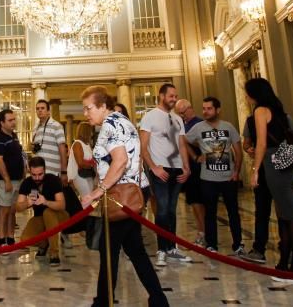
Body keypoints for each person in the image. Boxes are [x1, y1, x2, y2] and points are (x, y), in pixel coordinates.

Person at [79, 86, 168, 307]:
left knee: (108, 252)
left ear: (102, 106)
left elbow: (120, 162)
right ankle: (158, 299)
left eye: (88, 108)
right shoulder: (122, 120)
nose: (85, 113)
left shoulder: (110, 126)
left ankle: (102, 302)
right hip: (130, 191)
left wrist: (97, 193)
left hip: (121, 195)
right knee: (135, 250)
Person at [246, 77, 293, 284]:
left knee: (291, 216)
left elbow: (261, 143)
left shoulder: (260, 111)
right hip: (287, 163)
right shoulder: (278, 110)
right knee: (284, 214)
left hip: (273, 163)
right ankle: (284, 265)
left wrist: (255, 170)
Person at [138, 83, 191, 265]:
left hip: (177, 169)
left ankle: (172, 247)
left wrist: (186, 167)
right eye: (171, 96)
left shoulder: (177, 119)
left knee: (171, 209)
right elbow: (143, 147)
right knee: (161, 209)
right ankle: (162, 248)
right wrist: (153, 167)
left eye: (176, 96)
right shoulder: (149, 117)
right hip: (160, 168)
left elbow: (182, 144)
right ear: (162, 96)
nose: (174, 99)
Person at [186, 97, 243, 254]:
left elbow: (238, 151)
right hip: (208, 178)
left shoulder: (228, 127)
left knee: (233, 212)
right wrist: (195, 157)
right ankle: (211, 244)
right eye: (203, 108)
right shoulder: (198, 127)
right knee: (210, 213)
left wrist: (237, 172)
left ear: (218, 110)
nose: (205, 111)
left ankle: (238, 244)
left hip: (228, 177)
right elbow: (183, 141)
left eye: (209, 108)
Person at [15, 156, 66, 265]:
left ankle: (54, 253)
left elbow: (62, 205)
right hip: (40, 218)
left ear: (45, 170)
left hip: (59, 215)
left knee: (48, 213)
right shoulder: (27, 183)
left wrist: (46, 202)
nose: (37, 178)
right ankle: (44, 243)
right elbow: (18, 207)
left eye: (40, 174)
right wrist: (27, 203)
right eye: (34, 175)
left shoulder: (53, 180)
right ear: (30, 171)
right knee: (25, 239)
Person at [241, 110, 272, 264]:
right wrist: (248, 149)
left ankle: (289, 247)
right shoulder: (250, 121)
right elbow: (246, 143)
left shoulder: (282, 117)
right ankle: (259, 248)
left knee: (285, 212)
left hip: (277, 168)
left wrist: (255, 170)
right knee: (261, 210)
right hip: (263, 169)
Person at [174, 99, 206, 246]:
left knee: (201, 201)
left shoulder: (200, 124)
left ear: (189, 108)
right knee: (194, 201)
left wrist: (194, 156)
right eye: (178, 113)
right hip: (188, 169)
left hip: (200, 168)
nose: (181, 115)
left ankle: (204, 231)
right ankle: (201, 231)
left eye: (182, 112)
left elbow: (189, 142)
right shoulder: (183, 125)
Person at [0, 108, 25, 246]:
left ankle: (10, 238)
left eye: (14, 119)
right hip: (5, 181)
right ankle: (1, 239)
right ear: (2, 122)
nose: (13, 122)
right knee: (3, 210)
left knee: (12, 210)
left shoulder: (13, 136)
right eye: (10, 120)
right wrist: (7, 180)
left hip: (17, 179)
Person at [32, 99, 68, 184]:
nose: (40, 110)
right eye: (37, 109)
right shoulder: (35, 127)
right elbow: (35, 150)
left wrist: (64, 172)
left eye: (42, 108)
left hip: (53, 172)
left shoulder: (56, 126)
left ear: (48, 111)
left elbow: (62, 149)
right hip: (38, 174)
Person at [68, 122, 96, 197]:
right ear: (86, 131)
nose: (92, 133)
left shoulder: (87, 144)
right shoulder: (77, 144)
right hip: (79, 174)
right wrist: (92, 164)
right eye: (90, 131)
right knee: (87, 198)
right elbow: (80, 163)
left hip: (88, 174)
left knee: (90, 199)